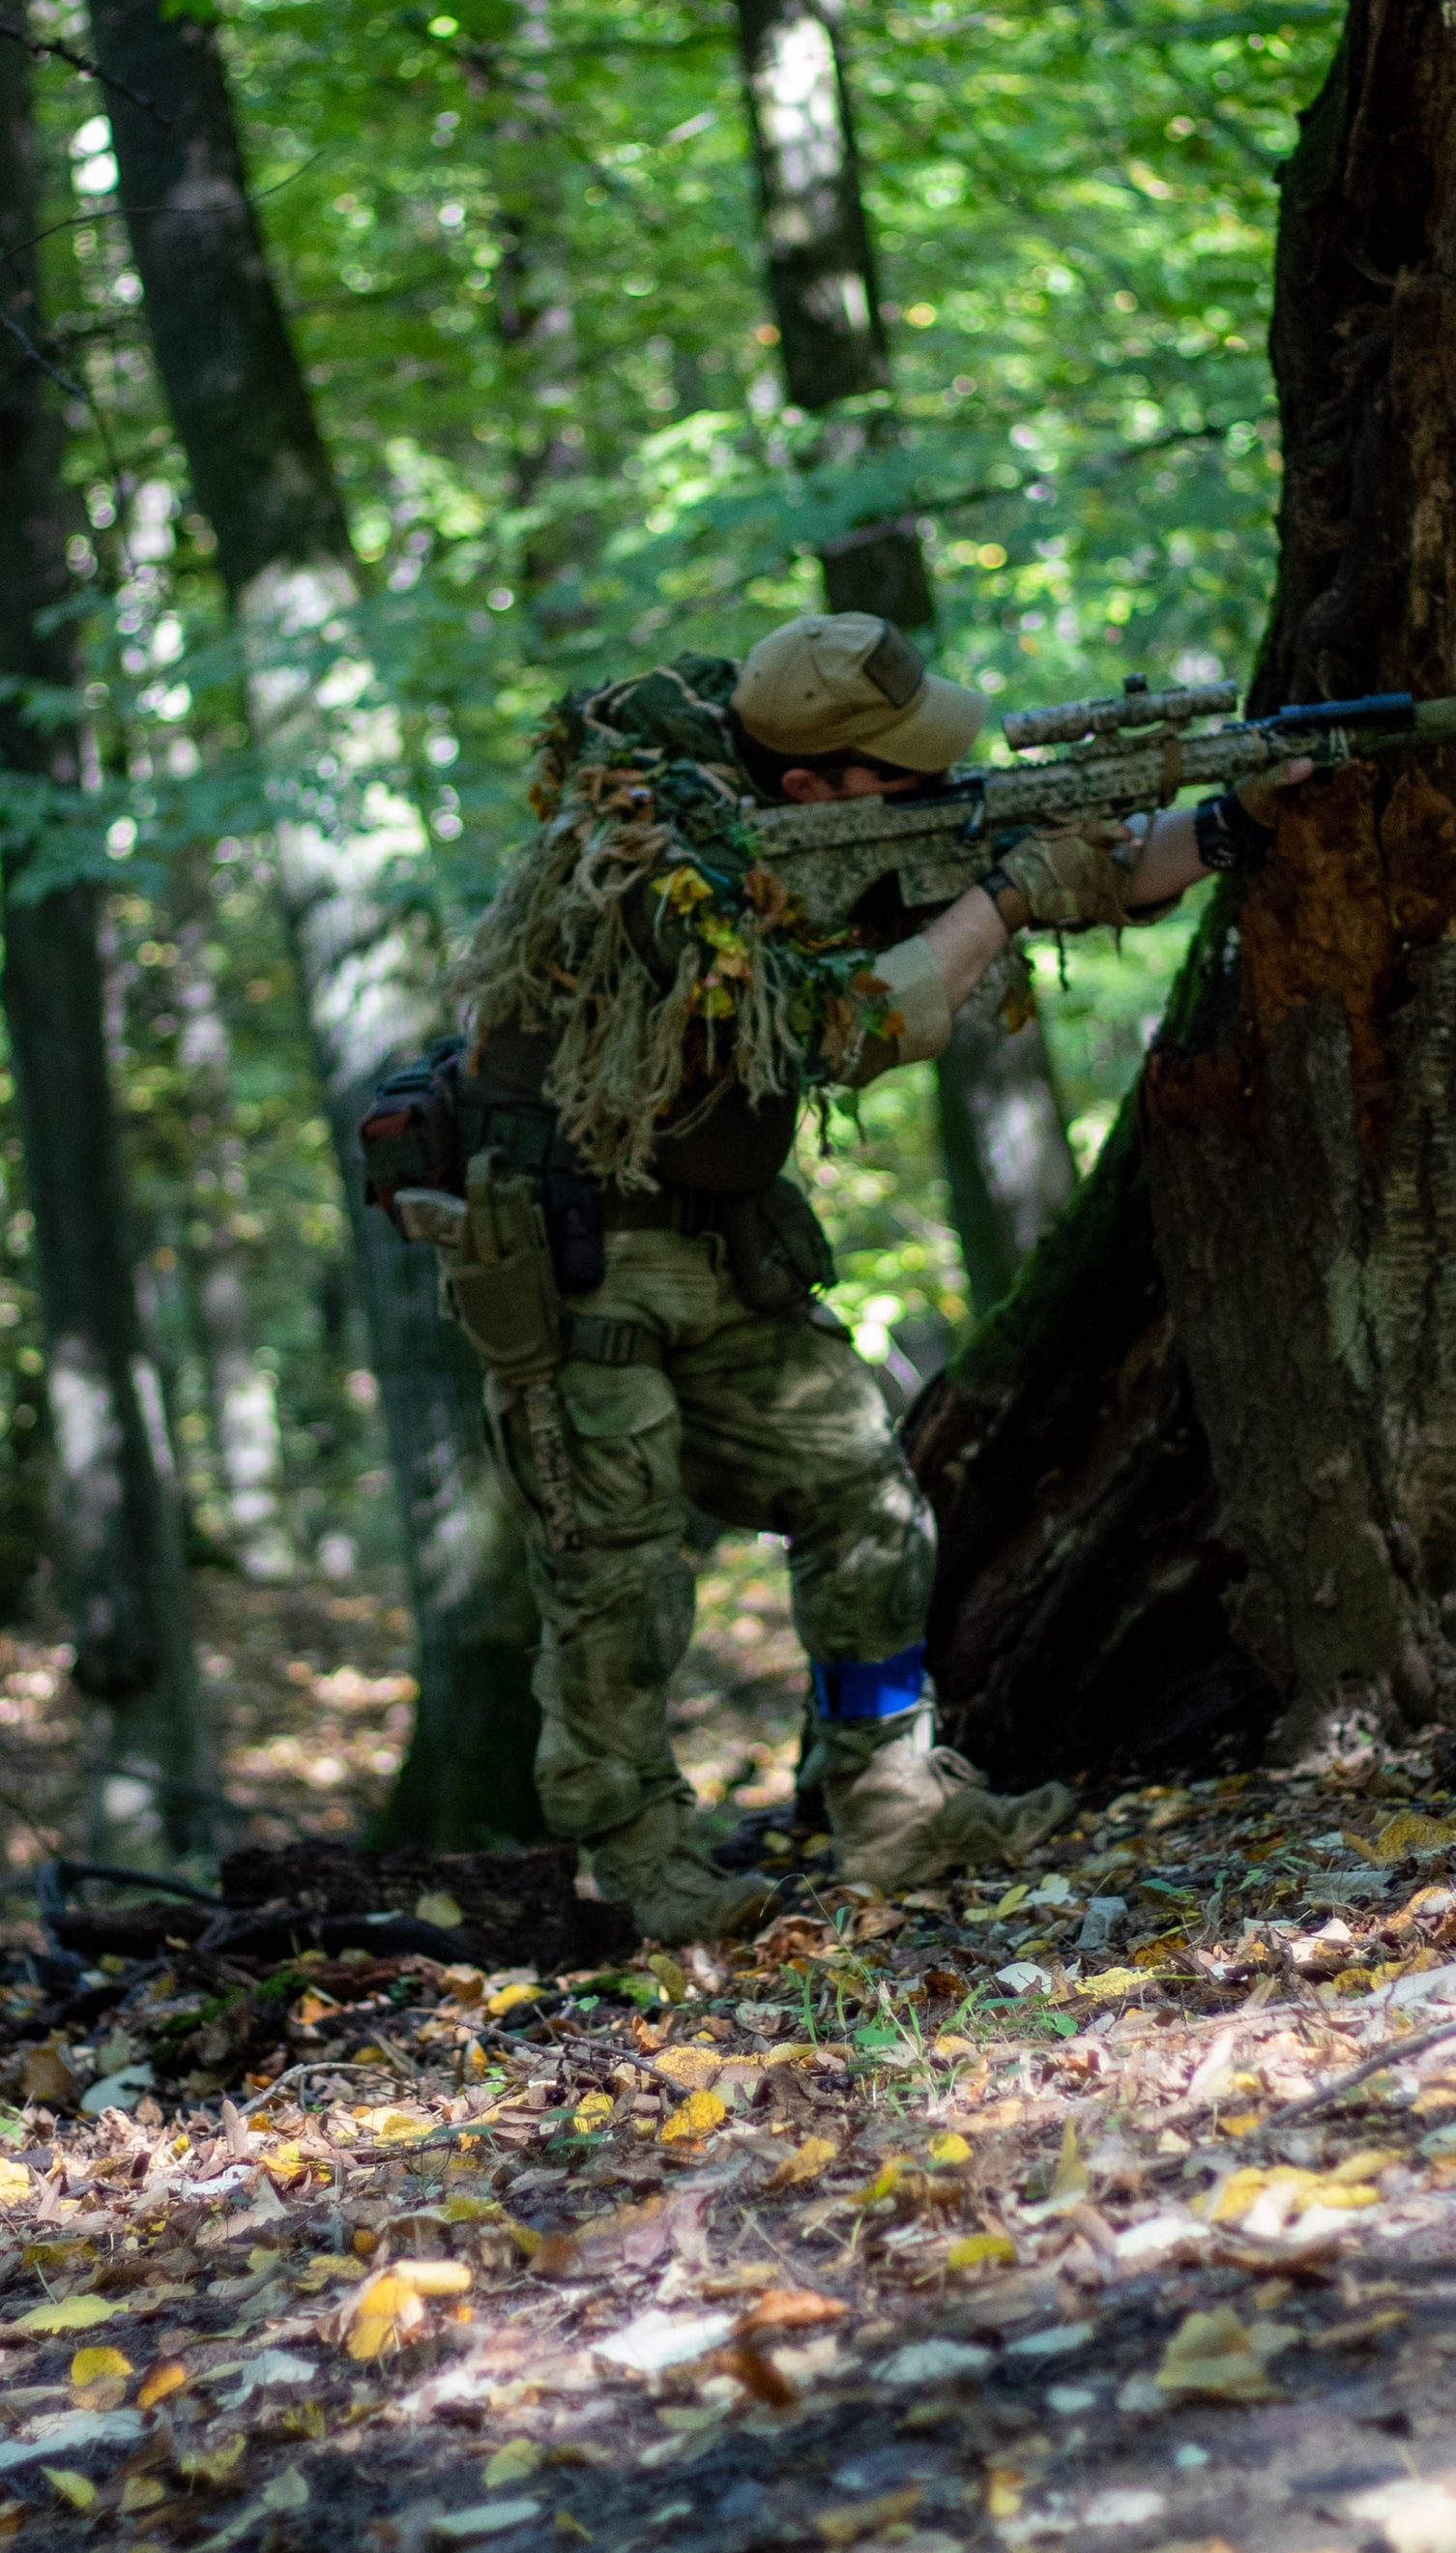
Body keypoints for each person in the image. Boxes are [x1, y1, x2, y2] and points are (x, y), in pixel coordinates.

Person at [428, 612, 1301, 1944]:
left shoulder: (822, 828)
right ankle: (635, 1864)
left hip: (722, 1248)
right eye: (901, 772)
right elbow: (831, 1029)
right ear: (811, 784)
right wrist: (1004, 899)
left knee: (865, 1501)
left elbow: (1088, 867)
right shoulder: (655, 868)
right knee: (619, 1576)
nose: (928, 789)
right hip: (576, 1259)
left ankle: (893, 1806)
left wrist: (1229, 821)